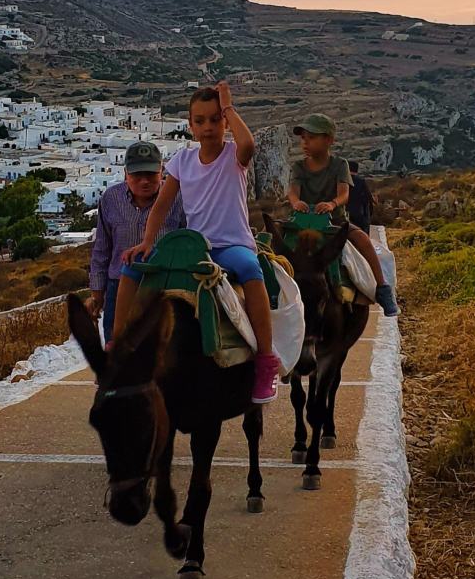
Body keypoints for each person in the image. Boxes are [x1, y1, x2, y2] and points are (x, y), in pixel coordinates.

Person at [117, 82, 283, 404]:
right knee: (132, 269)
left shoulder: (235, 156)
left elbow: (248, 142)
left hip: (232, 244)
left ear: (223, 123)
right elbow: (162, 204)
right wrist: (148, 241)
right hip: (196, 246)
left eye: (214, 119)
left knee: (250, 269)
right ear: (190, 125)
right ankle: (120, 347)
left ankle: (265, 360)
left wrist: (229, 107)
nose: (207, 127)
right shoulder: (182, 160)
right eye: (200, 120)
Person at [288, 114, 398, 315]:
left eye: (311, 137)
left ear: (329, 140)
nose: (305, 142)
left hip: (335, 221)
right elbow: (293, 191)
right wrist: (297, 203)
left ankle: (383, 288)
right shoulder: (298, 166)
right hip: (302, 221)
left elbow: (344, 194)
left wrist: (332, 204)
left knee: (362, 240)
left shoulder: (340, 165)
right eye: (303, 138)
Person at [88, 141, 186, 340]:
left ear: (161, 171)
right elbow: (102, 248)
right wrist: (97, 292)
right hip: (117, 287)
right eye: (137, 175)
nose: (144, 181)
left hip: (164, 284)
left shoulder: (178, 198)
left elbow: (185, 238)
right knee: (118, 350)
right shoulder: (110, 199)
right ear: (125, 173)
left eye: (150, 174)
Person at [347, 160, 373, 234]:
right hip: (358, 215)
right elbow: (368, 199)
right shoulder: (361, 182)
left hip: (343, 215)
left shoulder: (341, 181)